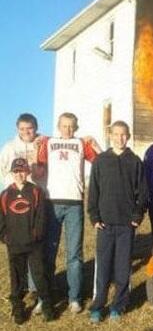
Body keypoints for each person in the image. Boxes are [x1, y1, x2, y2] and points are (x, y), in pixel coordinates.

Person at [37, 112, 101, 313]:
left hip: (74, 203)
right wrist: (37, 141)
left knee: (74, 254)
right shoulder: (48, 142)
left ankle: (74, 297)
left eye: (71, 126)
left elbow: (101, 163)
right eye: (64, 125)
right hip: (51, 202)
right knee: (49, 251)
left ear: (76, 127)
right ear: (58, 126)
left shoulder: (82, 143)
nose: (67, 129)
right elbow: (37, 167)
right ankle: (43, 297)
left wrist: (96, 143)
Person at [87, 120, 148, 323]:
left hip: (126, 225)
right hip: (104, 223)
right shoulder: (101, 160)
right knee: (103, 267)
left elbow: (143, 192)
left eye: (123, 134)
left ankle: (118, 305)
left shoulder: (135, 161)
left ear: (128, 136)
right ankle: (98, 306)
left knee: (123, 267)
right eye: (116, 134)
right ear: (110, 135)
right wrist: (94, 216)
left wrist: (137, 215)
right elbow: (93, 191)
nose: (120, 138)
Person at [0, 158, 54, 324]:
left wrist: (37, 234)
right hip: (14, 244)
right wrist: (5, 236)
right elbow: (1, 219)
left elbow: (42, 215)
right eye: (16, 171)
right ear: (12, 173)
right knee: (17, 279)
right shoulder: (5, 194)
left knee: (39, 275)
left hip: (33, 244)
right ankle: (18, 309)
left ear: (27, 172)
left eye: (22, 171)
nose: (19, 174)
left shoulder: (36, 191)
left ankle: (47, 306)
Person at [0, 113, 46, 190]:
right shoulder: (9, 147)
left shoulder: (45, 144)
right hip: (15, 194)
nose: (26, 132)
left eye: (29, 128)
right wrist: (9, 183)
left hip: (38, 193)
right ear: (17, 129)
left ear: (36, 127)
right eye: (22, 129)